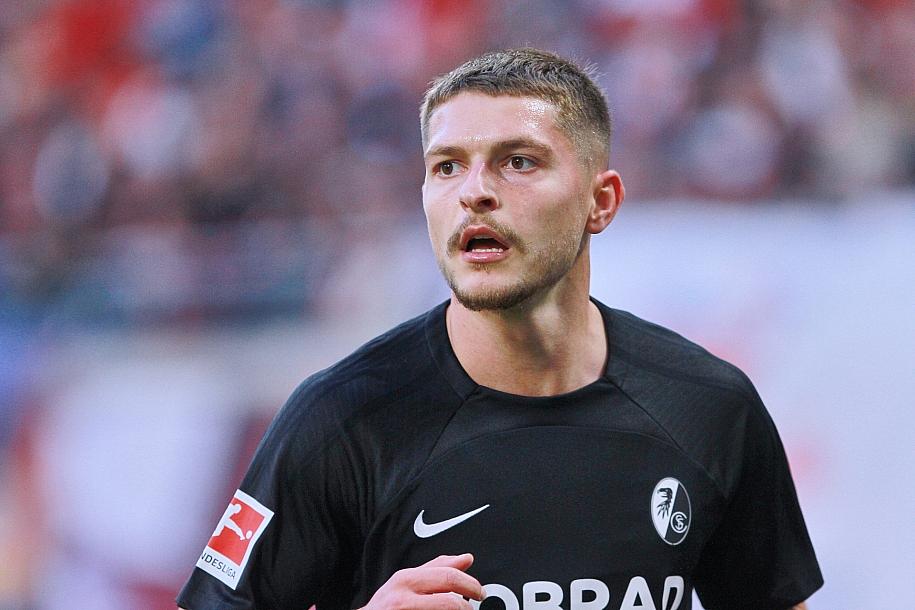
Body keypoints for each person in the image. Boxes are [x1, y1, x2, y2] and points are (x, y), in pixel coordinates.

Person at [177, 48, 823, 610]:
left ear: (600, 202)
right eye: (447, 166)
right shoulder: (341, 420)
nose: (474, 192)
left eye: (517, 161)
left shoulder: (709, 407)